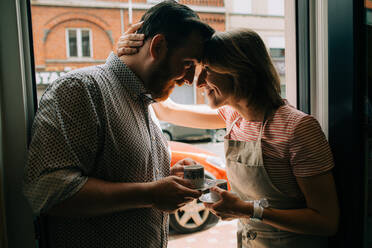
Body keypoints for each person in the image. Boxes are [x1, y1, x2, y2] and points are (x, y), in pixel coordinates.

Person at [118, 26, 339, 247]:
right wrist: (130, 56)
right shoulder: (233, 117)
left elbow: (325, 221)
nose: (199, 82)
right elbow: (167, 110)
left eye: (208, 69)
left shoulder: (299, 128)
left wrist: (247, 210)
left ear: (239, 71)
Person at [23, 1, 215, 247]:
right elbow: (47, 190)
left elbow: (120, 174)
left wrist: (166, 178)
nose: (190, 80)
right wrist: (151, 194)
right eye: (188, 64)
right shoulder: (81, 89)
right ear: (157, 46)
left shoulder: (146, 102)